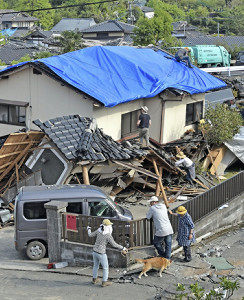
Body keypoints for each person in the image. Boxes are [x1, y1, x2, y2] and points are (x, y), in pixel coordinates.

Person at [87, 219, 128, 287]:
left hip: (95, 251)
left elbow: (90, 235)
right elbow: (114, 244)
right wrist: (123, 248)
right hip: (101, 253)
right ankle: (104, 282)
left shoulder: (98, 230)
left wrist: (88, 229)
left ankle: (94, 279)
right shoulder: (108, 235)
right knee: (105, 267)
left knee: (95, 266)